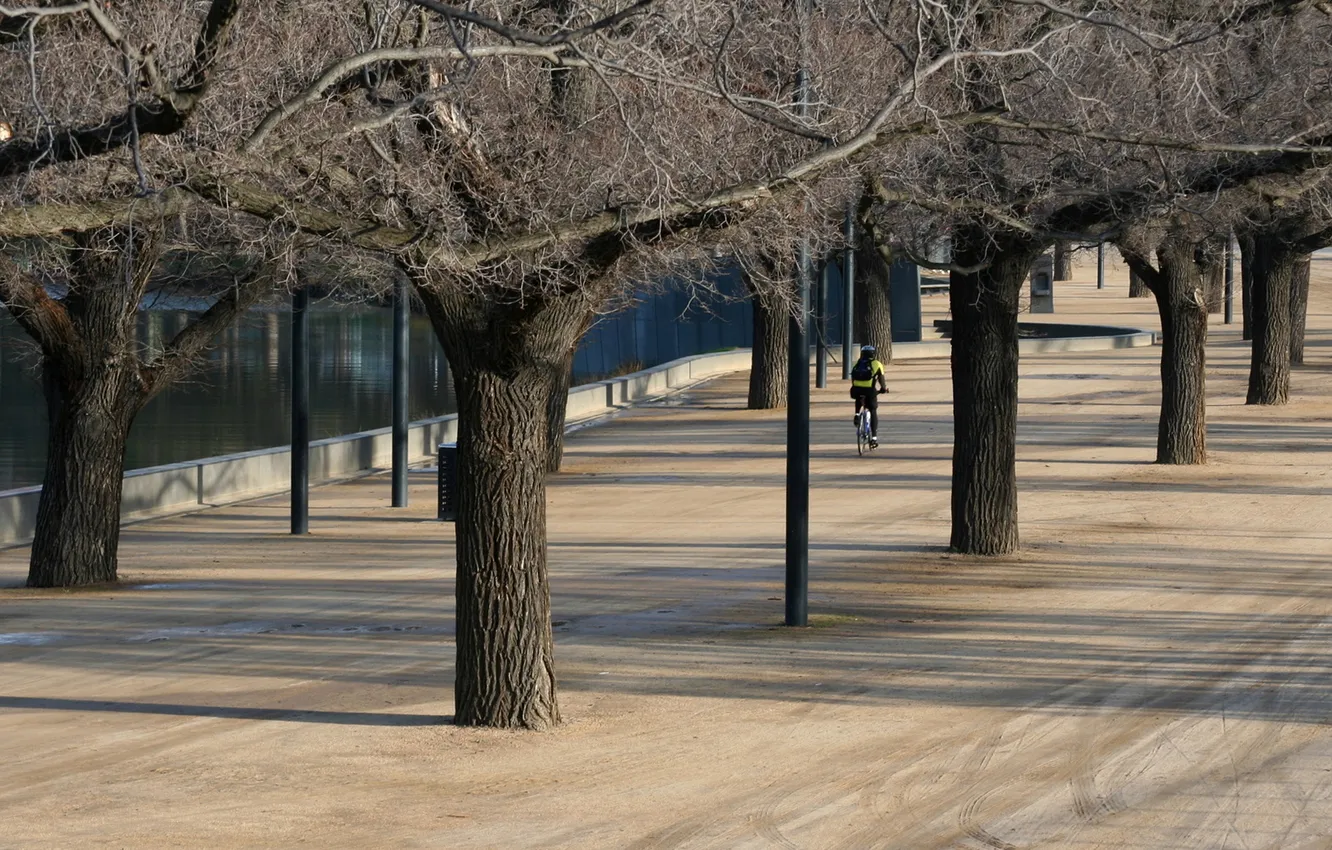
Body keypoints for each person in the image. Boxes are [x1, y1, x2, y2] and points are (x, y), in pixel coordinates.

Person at [850, 344, 888, 447]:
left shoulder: (857, 364)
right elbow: (881, 380)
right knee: (873, 410)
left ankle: (857, 414)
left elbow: (853, 378)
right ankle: (874, 438)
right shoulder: (877, 364)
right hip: (870, 391)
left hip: (856, 390)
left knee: (859, 397)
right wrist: (883, 389)